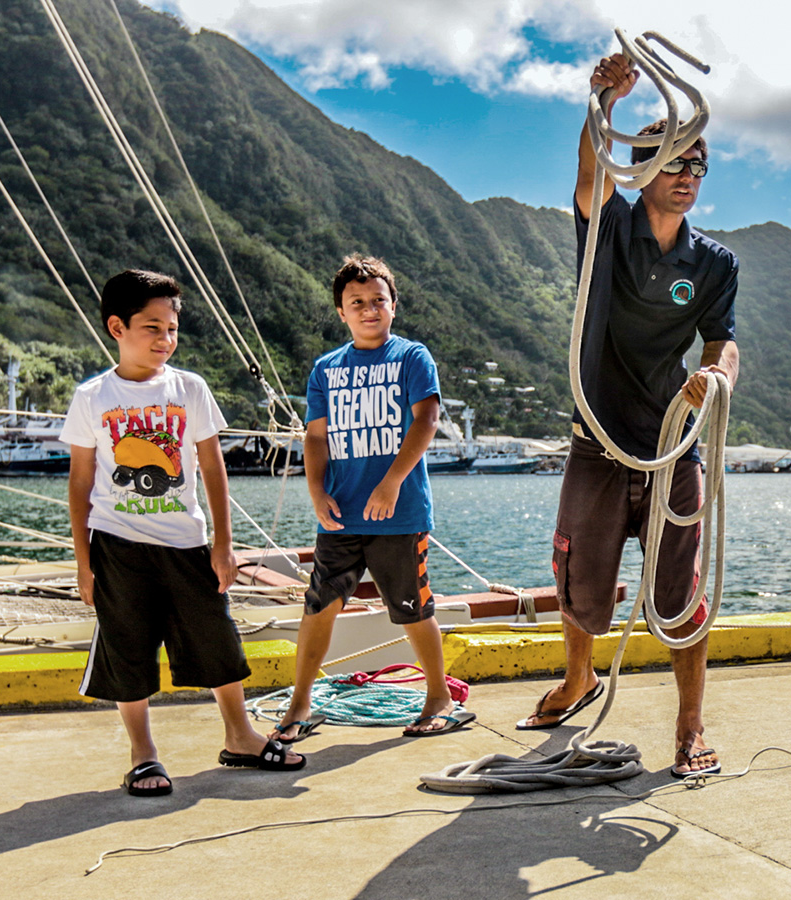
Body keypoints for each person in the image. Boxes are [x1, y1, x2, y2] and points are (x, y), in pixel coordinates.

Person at [516, 53, 740, 780]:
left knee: (683, 595)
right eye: (672, 161)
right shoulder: (610, 226)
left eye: (696, 166)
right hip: (596, 439)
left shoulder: (715, 264)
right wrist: (602, 102)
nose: (686, 176)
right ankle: (580, 679)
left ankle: (690, 725)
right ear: (643, 168)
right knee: (579, 580)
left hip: (672, 445)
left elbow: (723, 340)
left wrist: (715, 375)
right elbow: (589, 175)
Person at [63, 269, 303, 798]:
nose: (165, 340)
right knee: (128, 647)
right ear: (116, 327)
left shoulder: (189, 388)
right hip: (117, 544)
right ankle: (143, 754)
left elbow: (212, 469)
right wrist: (84, 563)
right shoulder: (92, 396)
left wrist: (224, 543)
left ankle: (240, 736)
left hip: (186, 542)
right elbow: (80, 483)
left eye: (172, 329)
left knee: (216, 636)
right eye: (152, 327)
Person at [271, 255, 471, 742]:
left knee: (412, 607)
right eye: (356, 302)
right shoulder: (326, 369)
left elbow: (425, 422)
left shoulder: (412, 357)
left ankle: (438, 696)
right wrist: (316, 492)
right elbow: (315, 438)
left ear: (393, 306)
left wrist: (391, 481)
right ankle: (301, 702)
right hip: (340, 513)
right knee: (319, 606)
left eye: (378, 300)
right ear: (341, 311)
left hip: (398, 514)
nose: (368, 309)